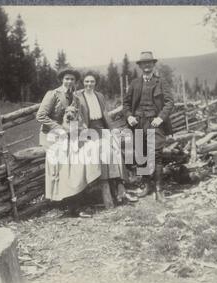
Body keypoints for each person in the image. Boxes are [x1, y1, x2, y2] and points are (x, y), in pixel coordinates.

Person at [36, 68, 101, 215]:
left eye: (72, 79)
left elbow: (78, 119)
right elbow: (40, 116)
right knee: (71, 162)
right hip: (51, 136)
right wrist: (59, 128)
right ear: (62, 79)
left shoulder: (76, 97)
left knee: (89, 149)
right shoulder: (52, 94)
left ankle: (82, 197)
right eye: (67, 78)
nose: (69, 81)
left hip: (70, 135)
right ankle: (73, 206)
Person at [74, 71, 138, 203]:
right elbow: (76, 117)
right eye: (86, 81)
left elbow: (105, 115)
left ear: (95, 83)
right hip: (88, 130)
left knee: (116, 148)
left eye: (92, 82)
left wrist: (112, 130)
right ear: (83, 82)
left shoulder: (99, 96)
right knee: (103, 152)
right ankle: (108, 189)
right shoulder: (78, 96)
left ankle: (121, 186)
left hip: (101, 128)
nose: (89, 84)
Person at [123, 52, 174, 202]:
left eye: (149, 63)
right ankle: (146, 185)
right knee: (141, 154)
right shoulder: (134, 83)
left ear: (153, 65)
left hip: (154, 123)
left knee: (156, 155)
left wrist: (160, 118)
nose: (147, 66)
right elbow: (126, 104)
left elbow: (170, 102)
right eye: (144, 63)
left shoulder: (161, 82)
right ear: (139, 66)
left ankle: (159, 189)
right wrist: (129, 116)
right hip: (138, 123)